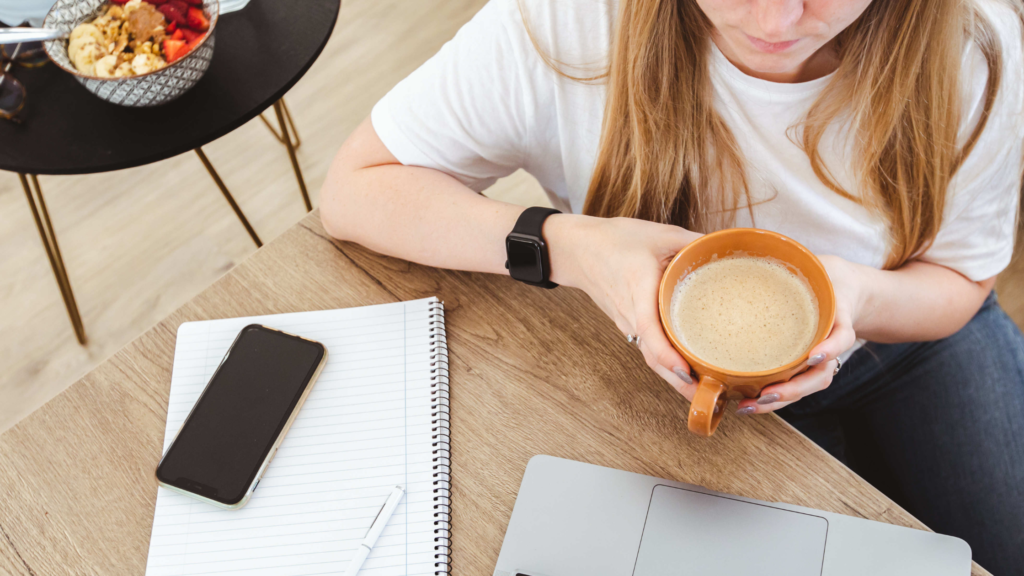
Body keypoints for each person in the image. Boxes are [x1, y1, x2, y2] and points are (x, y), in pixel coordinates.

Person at [321, 0, 1024, 569]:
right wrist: (573, 245)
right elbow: (353, 193)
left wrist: (861, 296)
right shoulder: (563, 25)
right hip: (670, 373)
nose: (774, 23)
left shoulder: (973, 41)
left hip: (907, 335)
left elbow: (960, 278)